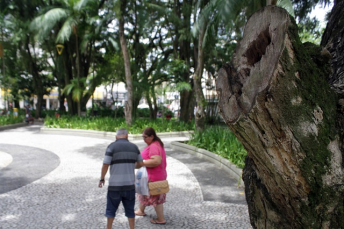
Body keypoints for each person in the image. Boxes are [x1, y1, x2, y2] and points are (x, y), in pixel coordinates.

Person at [99, 128, 144, 229]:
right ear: (127, 136)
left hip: (114, 186)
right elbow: (141, 163)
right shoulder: (134, 147)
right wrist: (131, 165)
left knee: (111, 210)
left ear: (116, 136)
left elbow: (105, 164)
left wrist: (102, 178)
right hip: (129, 186)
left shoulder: (111, 147)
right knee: (130, 211)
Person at [135, 127, 167, 225]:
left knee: (156, 199)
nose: (143, 139)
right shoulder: (155, 144)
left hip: (154, 178)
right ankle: (141, 210)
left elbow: (156, 161)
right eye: (142, 137)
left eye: (145, 137)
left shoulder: (154, 146)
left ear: (152, 136)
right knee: (144, 193)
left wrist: (142, 163)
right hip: (153, 176)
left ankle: (161, 219)